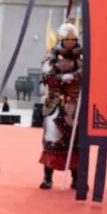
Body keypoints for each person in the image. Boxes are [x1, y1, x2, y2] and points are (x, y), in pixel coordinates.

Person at [39, 23, 81, 190]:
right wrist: (63, 78)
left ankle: (76, 178)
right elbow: (46, 78)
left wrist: (79, 77)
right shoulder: (52, 58)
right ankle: (48, 177)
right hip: (55, 102)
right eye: (67, 39)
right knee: (52, 139)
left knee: (76, 142)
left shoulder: (82, 59)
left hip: (75, 103)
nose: (70, 42)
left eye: (73, 39)